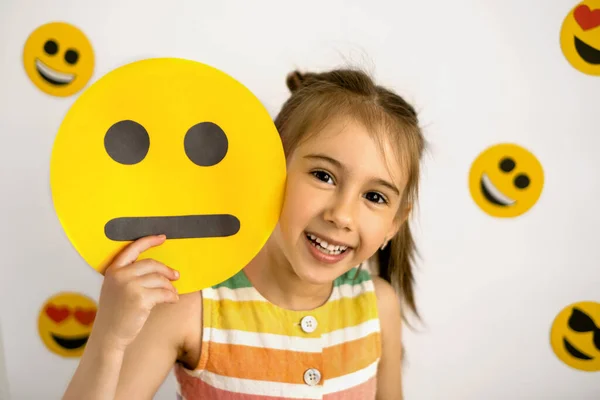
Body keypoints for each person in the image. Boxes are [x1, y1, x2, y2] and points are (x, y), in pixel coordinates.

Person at [63, 67, 426, 400]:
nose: (342, 215)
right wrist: (109, 338)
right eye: (323, 176)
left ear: (394, 224)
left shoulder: (379, 306)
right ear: (269, 167)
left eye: (374, 197)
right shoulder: (191, 306)